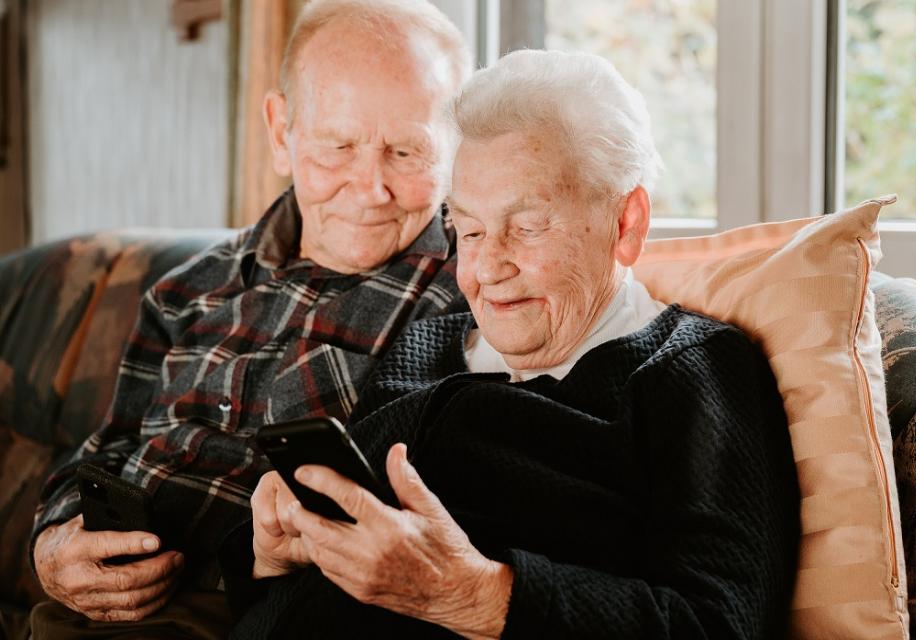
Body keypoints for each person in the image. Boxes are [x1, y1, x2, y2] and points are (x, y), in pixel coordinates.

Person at [230, 49, 801, 639]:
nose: (489, 268)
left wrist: (476, 596)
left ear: (626, 224)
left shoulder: (690, 371)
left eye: (527, 228)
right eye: (470, 231)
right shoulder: (427, 343)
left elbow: (720, 622)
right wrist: (271, 556)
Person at [28, 0, 471, 636]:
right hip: (96, 606)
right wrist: (52, 546)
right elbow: (106, 449)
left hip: (260, 612)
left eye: (407, 152)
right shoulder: (186, 290)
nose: (370, 187)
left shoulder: (473, 289)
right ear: (280, 131)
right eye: (338, 146)